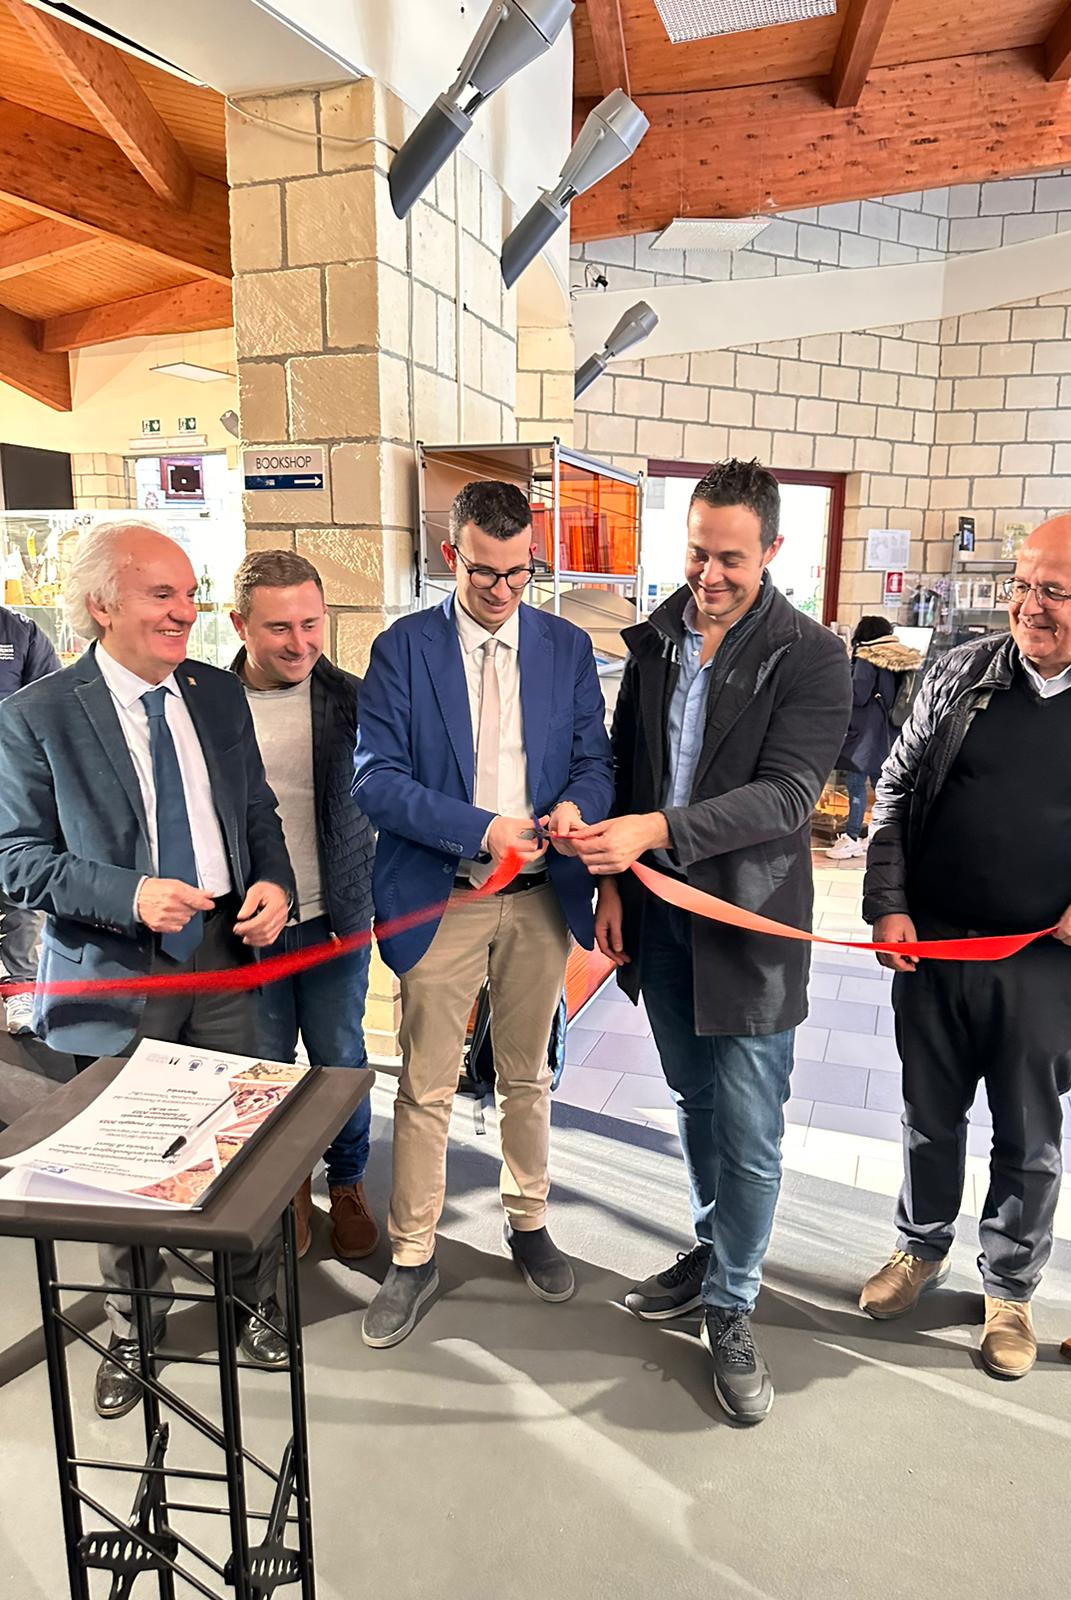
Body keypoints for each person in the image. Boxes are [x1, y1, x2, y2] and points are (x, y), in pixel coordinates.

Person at [860, 513, 1071, 1379]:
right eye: (1021, 584)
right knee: (927, 1116)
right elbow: (895, 789)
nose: (1027, 606)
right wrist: (889, 904)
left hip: (1049, 961)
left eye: (1053, 590)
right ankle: (918, 1247)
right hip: (934, 948)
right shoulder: (960, 671)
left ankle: (1009, 1290)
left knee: (1027, 1131)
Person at [574, 459, 852, 1425]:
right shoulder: (657, 639)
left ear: (772, 550)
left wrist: (655, 832)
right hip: (658, 920)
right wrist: (615, 884)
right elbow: (626, 766)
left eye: (731, 557)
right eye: (697, 552)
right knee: (694, 1101)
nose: (710, 574)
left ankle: (733, 1302)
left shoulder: (813, 656)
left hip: (748, 926)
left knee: (750, 1125)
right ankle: (713, 1248)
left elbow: (786, 798)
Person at [0, 521, 295, 1418]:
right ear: (101, 605)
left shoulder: (215, 692)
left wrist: (275, 882)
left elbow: (256, 809)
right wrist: (128, 894)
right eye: (161, 595)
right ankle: (134, 1327)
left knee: (242, 1142)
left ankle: (253, 1299)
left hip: (226, 953)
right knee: (122, 1166)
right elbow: (16, 860)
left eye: (189, 594)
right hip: (116, 971)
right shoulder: (37, 715)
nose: (184, 612)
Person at [352, 480, 612, 1348]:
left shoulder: (566, 647)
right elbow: (375, 781)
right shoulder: (403, 649)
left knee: (527, 1076)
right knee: (425, 1084)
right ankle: (413, 1253)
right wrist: (481, 828)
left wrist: (575, 806)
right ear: (450, 557)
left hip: (540, 902)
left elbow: (595, 761)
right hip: (445, 895)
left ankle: (528, 1221)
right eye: (484, 572)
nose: (502, 591)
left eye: (519, 573)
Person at [230, 550, 379, 1263]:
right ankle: (284, 1188)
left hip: (335, 921)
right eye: (279, 628)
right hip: (245, 932)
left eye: (311, 624)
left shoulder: (355, 701)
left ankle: (346, 1183)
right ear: (240, 625)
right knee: (263, 1066)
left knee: (340, 1059)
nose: (300, 643)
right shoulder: (204, 704)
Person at [0, 605, 59, 1035]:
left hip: (11, 785)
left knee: (20, 891)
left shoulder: (20, 633)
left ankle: (21, 988)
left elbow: (49, 707)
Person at [826, 616, 922, 861]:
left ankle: (851, 838)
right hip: (890, 731)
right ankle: (882, 836)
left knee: (856, 785)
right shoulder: (902, 655)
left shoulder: (867, 656)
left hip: (865, 734)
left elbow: (858, 694)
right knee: (885, 787)